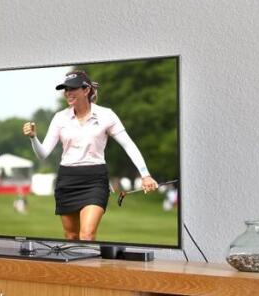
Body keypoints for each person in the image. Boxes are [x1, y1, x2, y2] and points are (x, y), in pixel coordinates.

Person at [20, 68, 159, 241]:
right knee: (71, 236)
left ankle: (89, 268)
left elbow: (128, 145)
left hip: (95, 179)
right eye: (66, 89)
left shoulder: (106, 115)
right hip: (67, 180)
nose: (68, 93)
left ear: (86, 90)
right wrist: (33, 138)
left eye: (72, 89)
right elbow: (43, 154)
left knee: (86, 235)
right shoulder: (59, 118)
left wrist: (145, 175)